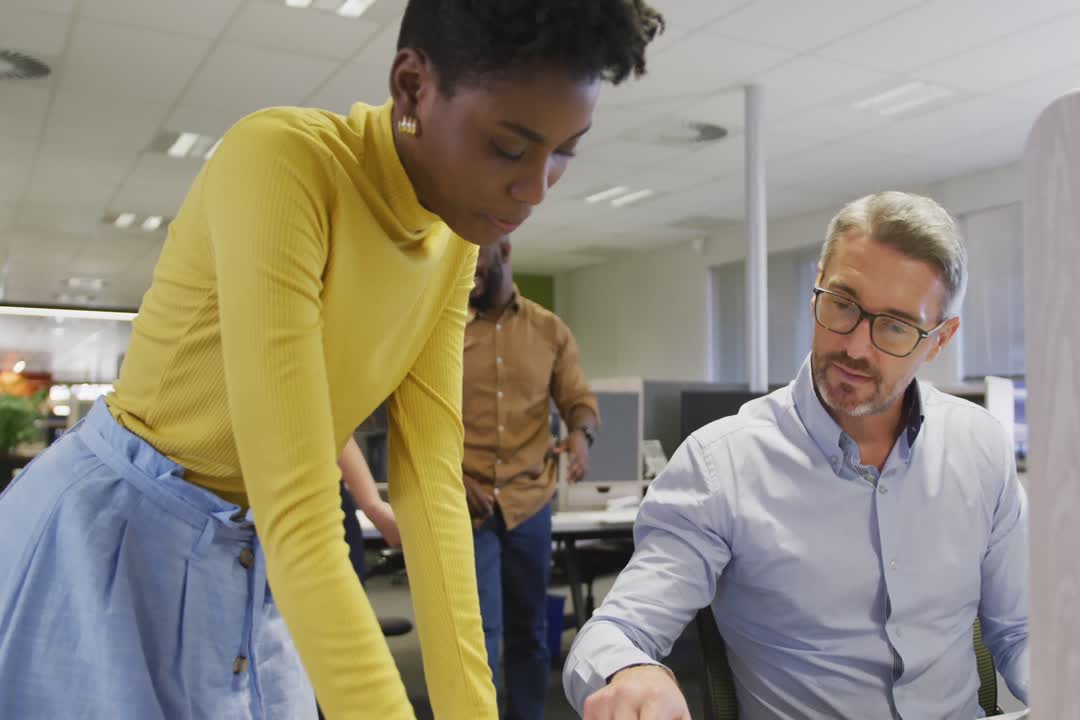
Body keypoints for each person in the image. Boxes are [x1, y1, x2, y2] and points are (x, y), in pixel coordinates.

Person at [0, 2, 663, 718]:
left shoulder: (452, 243)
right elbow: (298, 502)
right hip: (115, 533)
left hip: (253, 551)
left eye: (564, 150)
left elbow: (433, 494)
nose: (535, 189)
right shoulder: (283, 162)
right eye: (509, 147)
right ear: (412, 87)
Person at [563, 192, 1030, 720]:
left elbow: (1019, 631)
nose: (855, 346)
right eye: (843, 304)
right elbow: (613, 632)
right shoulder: (722, 467)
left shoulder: (980, 446)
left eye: (896, 326)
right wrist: (631, 673)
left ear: (940, 340)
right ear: (818, 285)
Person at [463, 236, 600, 719]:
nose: (467, 276)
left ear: (503, 252)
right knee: (478, 637)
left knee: (530, 634)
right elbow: (421, 418)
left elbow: (578, 400)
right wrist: (451, 478)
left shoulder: (549, 330)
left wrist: (580, 436)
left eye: (476, 265)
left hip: (529, 503)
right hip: (467, 504)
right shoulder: (444, 327)